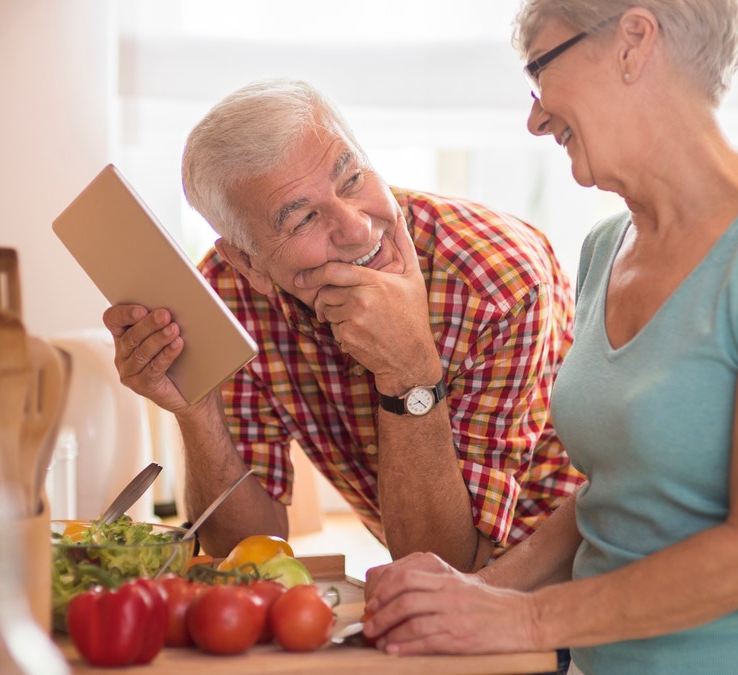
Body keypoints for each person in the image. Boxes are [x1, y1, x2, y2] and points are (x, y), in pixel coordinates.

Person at [360, 1, 738, 674]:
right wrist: (480, 590)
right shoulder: (607, 248)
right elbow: (621, 489)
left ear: (634, 42)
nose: (535, 115)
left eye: (541, 70)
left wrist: (523, 617)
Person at [104, 77, 583, 572]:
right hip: (428, 597)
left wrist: (410, 369)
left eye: (351, 179)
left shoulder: (499, 283)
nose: (357, 228)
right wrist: (197, 409)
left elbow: (449, 565)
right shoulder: (229, 293)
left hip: (570, 582)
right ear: (248, 263)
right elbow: (246, 554)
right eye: (303, 218)